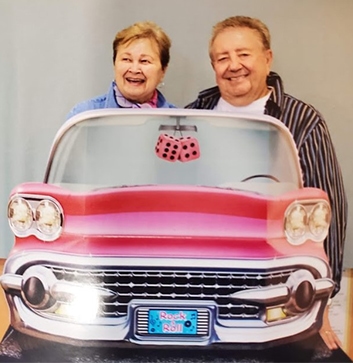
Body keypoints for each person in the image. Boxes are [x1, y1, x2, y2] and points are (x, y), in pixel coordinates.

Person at [186, 15, 347, 351]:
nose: (234, 66)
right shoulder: (188, 117)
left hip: (273, 276)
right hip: (198, 272)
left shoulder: (302, 121)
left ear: (267, 58)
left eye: (243, 54)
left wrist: (321, 304)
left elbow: (327, 212)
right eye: (222, 58)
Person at [67, 21, 175, 119]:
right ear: (114, 64)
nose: (134, 69)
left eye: (144, 61)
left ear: (163, 70)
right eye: (126, 59)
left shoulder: (178, 122)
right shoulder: (83, 116)